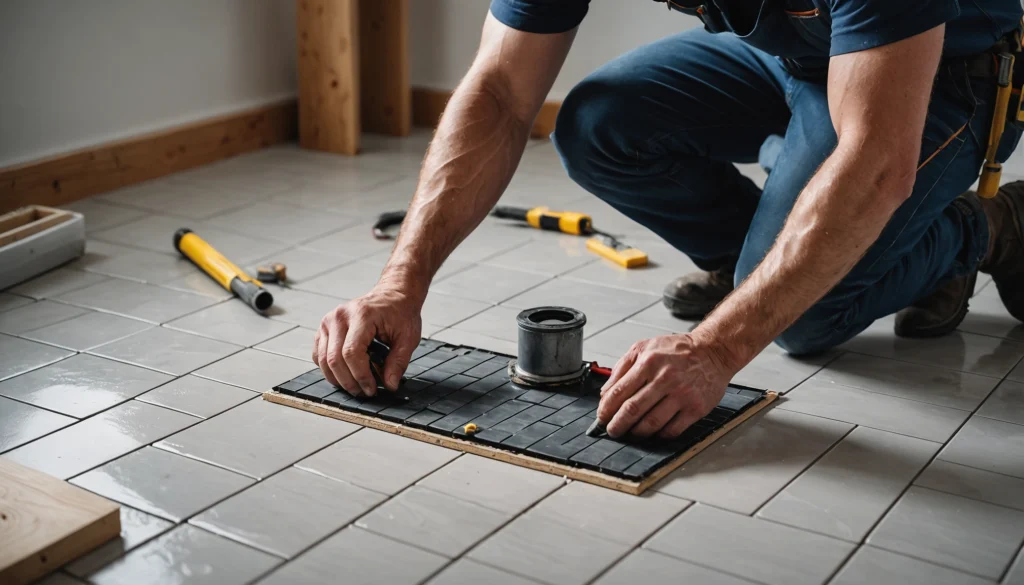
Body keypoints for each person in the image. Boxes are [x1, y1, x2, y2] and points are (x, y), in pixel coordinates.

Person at [314, 0, 1024, 440]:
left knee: (804, 322)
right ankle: (779, 239)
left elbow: (875, 160)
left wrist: (715, 350)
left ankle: (986, 228)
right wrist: (399, 283)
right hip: (785, 55)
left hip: (941, 73)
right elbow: (500, 93)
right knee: (597, 123)